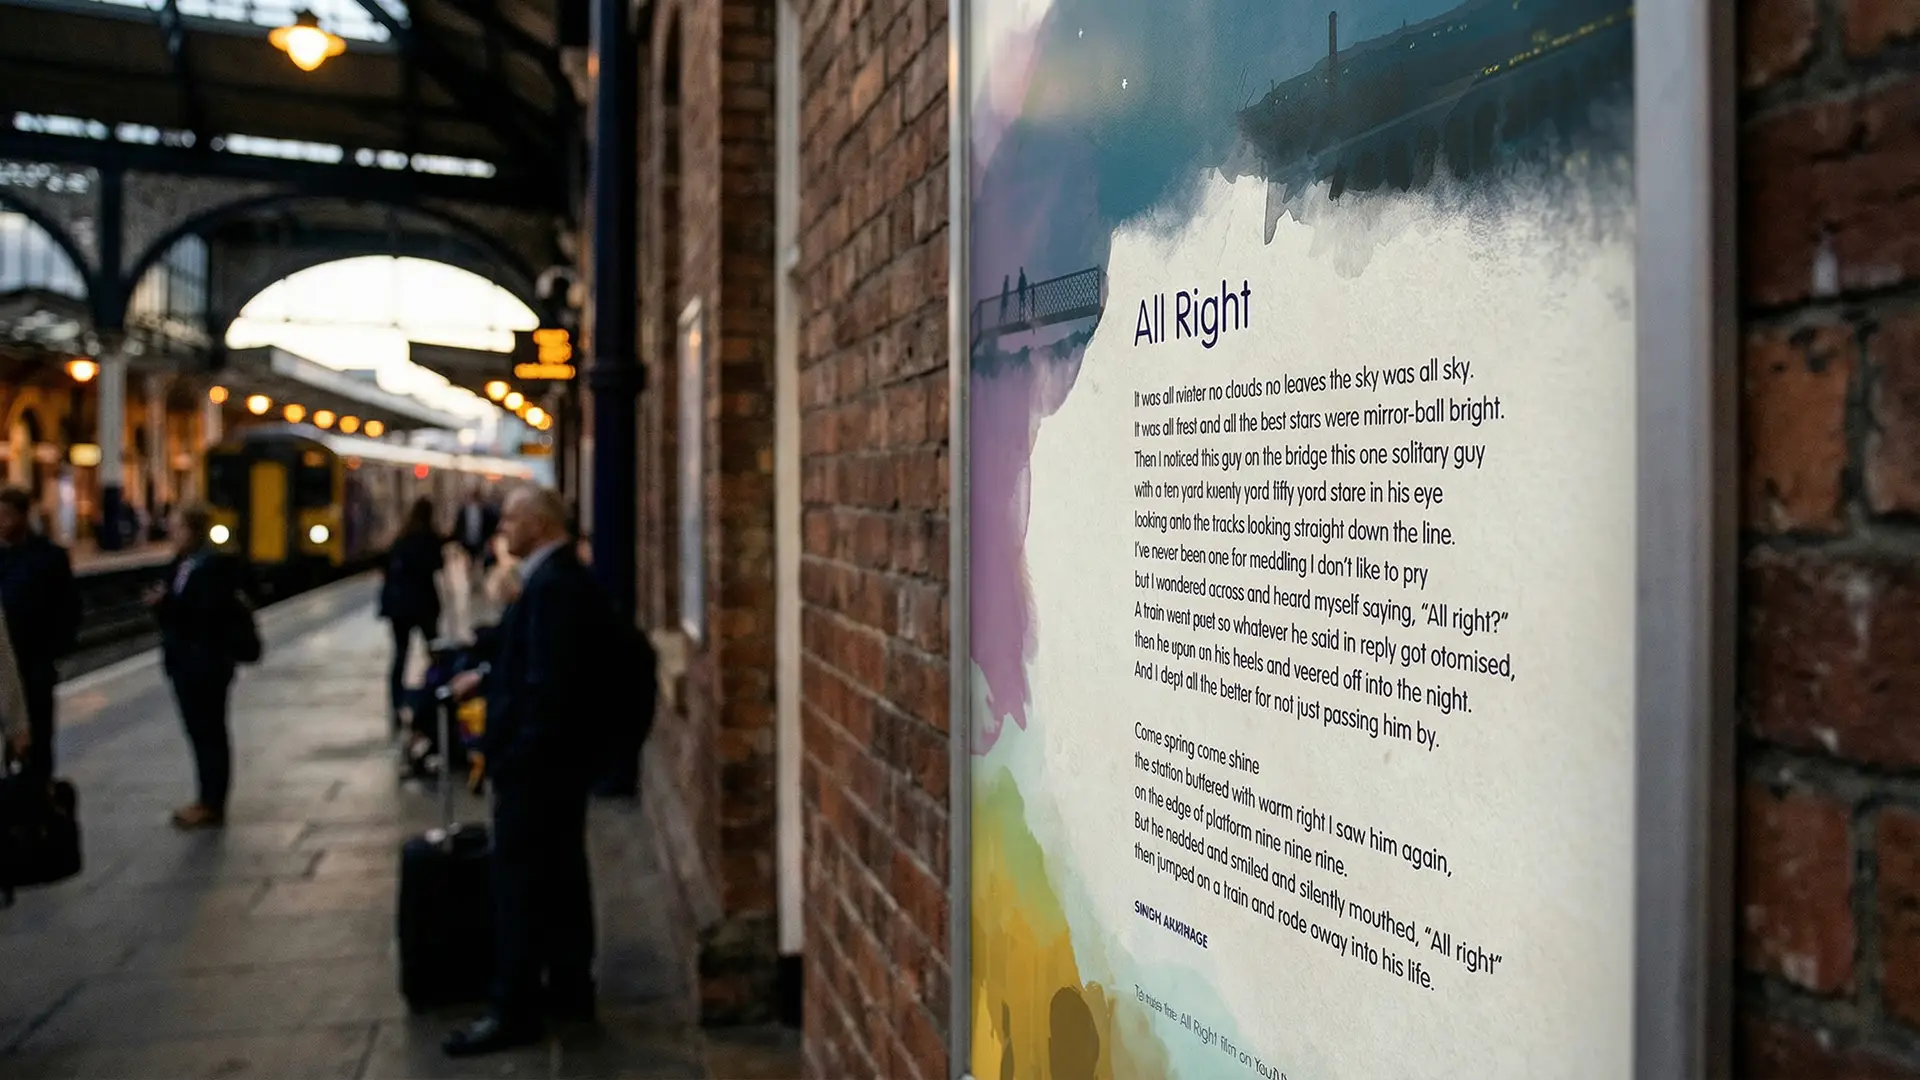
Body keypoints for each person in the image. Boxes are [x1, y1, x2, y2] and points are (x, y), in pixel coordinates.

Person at [442, 484, 607, 1057]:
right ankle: (569, 986)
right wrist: (487, 675)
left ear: (539, 522)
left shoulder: (554, 584)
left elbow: (549, 682)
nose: (502, 527)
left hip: (539, 768)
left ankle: (514, 1008)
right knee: (561, 875)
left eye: (511, 517)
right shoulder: (553, 578)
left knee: (518, 885)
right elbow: (532, 657)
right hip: (554, 765)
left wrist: (514, 758)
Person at [148, 503, 254, 829]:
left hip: (205, 664)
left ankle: (212, 802)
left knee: (210, 733)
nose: (171, 533)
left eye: (177, 526)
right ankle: (205, 797)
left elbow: (205, 616)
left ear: (192, 530)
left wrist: (166, 603)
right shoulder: (182, 564)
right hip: (185, 662)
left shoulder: (211, 567)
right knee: (199, 733)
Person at [0, 486, 81, 781]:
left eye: (6, 515)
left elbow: (69, 609)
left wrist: (52, 653)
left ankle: (38, 800)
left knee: (38, 738)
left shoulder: (49, 557)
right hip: (5, 668)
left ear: (22, 516)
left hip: (34, 665)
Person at [380, 498, 446, 735]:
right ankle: (436, 693)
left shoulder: (400, 538)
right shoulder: (429, 538)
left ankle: (397, 705)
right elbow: (437, 565)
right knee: (435, 651)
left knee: (399, 656)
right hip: (424, 605)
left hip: (399, 608)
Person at [454, 488, 499, 576]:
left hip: (480, 541)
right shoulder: (463, 511)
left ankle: (477, 578)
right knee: (469, 562)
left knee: (480, 562)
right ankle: (471, 576)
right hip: (466, 541)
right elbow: (459, 526)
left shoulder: (485, 511)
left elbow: (490, 526)